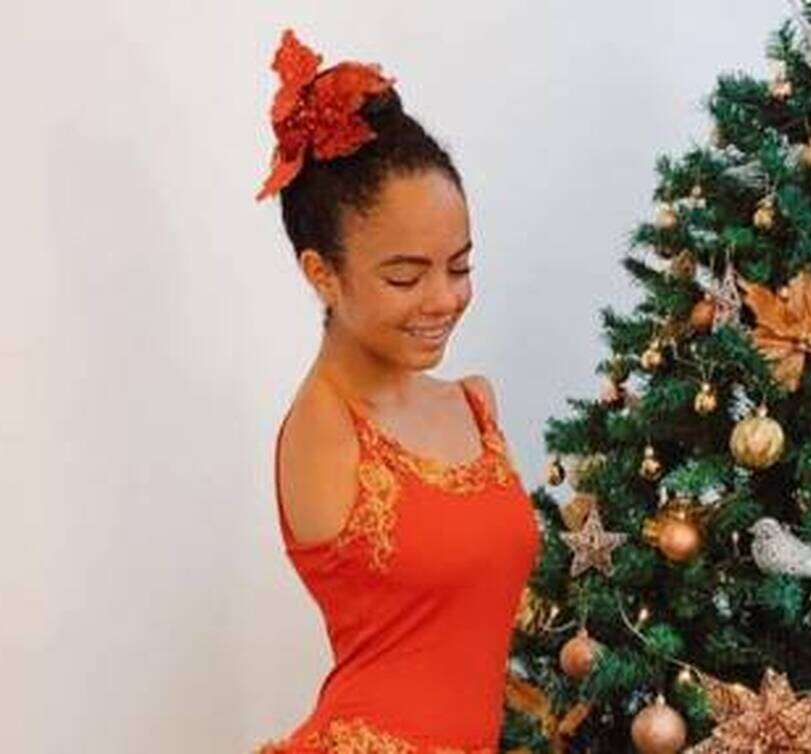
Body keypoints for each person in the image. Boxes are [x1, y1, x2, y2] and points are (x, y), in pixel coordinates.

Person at [252, 29, 542, 754]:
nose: (443, 299)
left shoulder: (475, 404)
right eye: (406, 277)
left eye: (460, 266)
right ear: (322, 274)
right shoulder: (325, 428)